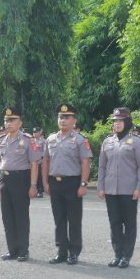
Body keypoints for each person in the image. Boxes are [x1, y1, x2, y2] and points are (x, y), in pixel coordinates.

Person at [43, 103, 93, 265]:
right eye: (60, 117)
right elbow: (46, 161)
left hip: (73, 183)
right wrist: (45, 182)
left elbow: (85, 162)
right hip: (55, 183)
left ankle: (74, 252)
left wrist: (83, 184)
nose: (63, 120)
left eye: (67, 117)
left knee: (74, 219)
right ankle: (61, 251)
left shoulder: (79, 140)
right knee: (59, 219)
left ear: (74, 121)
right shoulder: (50, 139)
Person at [97, 107, 140, 268]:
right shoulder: (107, 142)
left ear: (127, 122)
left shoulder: (138, 142)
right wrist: (100, 186)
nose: (117, 124)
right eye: (115, 121)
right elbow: (102, 167)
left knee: (129, 223)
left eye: (120, 121)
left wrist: (139, 188)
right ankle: (117, 254)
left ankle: (126, 256)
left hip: (129, 190)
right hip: (111, 189)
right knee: (115, 223)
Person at [0, 106, 40, 261]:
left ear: (20, 122)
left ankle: (23, 250)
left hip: (21, 179)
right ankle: (12, 250)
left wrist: (33, 185)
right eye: (6, 120)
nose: (8, 123)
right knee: (7, 217)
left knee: (21, 216)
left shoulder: (28, 140)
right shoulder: (0, 140)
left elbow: (34, 164)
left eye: (12, 120)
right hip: (4, 179)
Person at [32, 127, 46, 198]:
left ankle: (40, 191)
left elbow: (45, 152)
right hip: (32, 163)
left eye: (36, 132)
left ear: (40, 133)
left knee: (39, 177)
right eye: (34, 132)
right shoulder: (31, 141)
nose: (34, 134)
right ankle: (34, 190)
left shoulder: (43, 141)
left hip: (40, 162)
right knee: (32, 177)